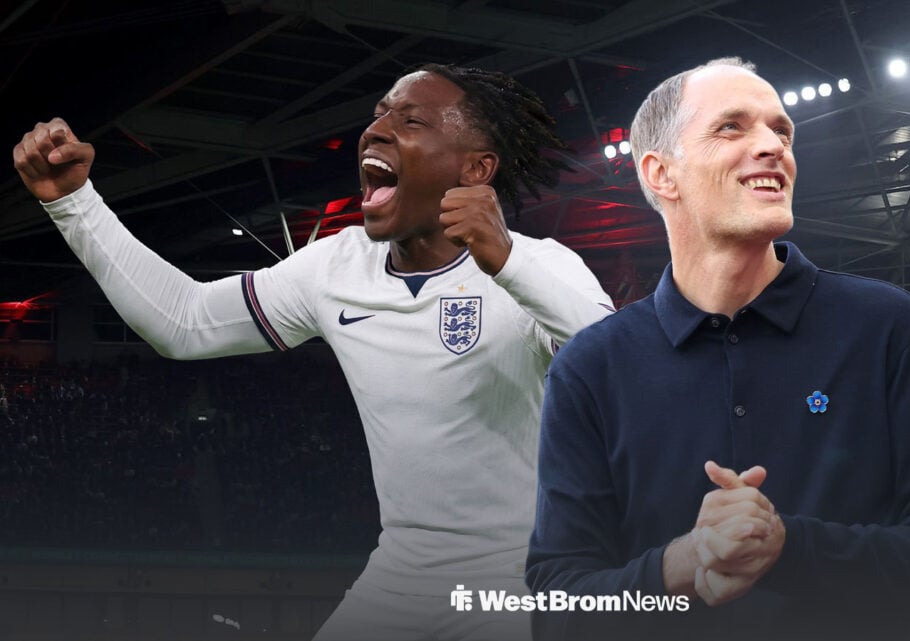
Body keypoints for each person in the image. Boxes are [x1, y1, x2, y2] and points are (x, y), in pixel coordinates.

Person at [13, 63, 613, 641]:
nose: (375, 131)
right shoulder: (333, 267)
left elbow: (617, 378)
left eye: (411, 122)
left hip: (524, 573)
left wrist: (506, 263)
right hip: (403, 566)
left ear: (476, 169)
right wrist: (74, 203)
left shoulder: (542, 266)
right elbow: (185, 323)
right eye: (379, 116)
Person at [526, 57, 910, 640]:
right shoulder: (589, 367)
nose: (773, 146)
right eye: (732, 127)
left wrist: (786, 546)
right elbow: (559, 608)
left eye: (782, 131)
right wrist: (682, 564)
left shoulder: (888, 327)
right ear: (661, 174)